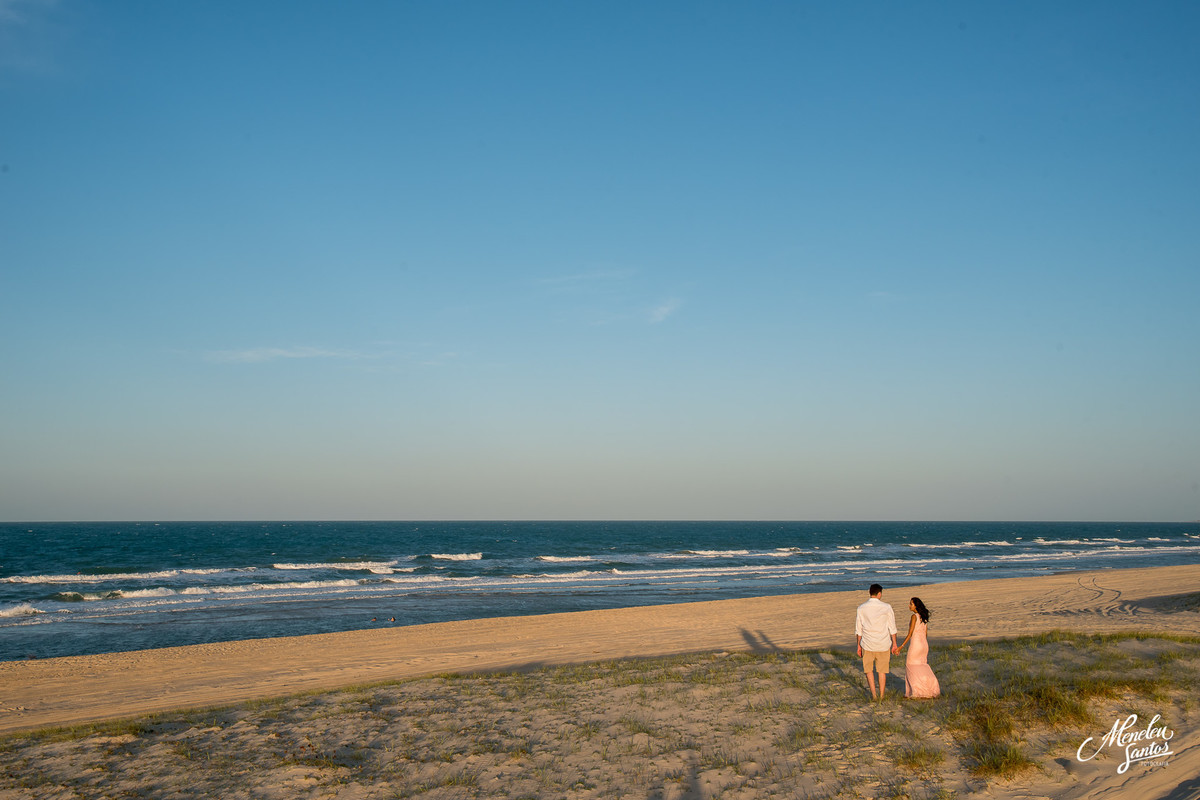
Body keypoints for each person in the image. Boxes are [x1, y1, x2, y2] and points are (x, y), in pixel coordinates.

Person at [855, 583, 899, 701]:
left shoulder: (861, 608)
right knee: (882, 671)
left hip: (867, 644)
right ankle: (882, 695)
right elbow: (892, 627)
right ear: (879, 594)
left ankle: (874, 695)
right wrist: (894, 644)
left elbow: (859, 630)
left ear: (870, 592)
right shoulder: (886, 607)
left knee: (868, 671)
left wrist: (858, 646)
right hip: (883, 643)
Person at [898, 597, 940, 699]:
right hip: (924, 644)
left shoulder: (914, 617)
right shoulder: (923, 617)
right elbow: (925, 633)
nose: (909, 606)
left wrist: (901, 646)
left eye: (911, 604)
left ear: (916, 606)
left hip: (916, 644)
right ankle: (930, 687)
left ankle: (915, 691)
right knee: (922, 665)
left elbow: (910, 634)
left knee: (910, 665)